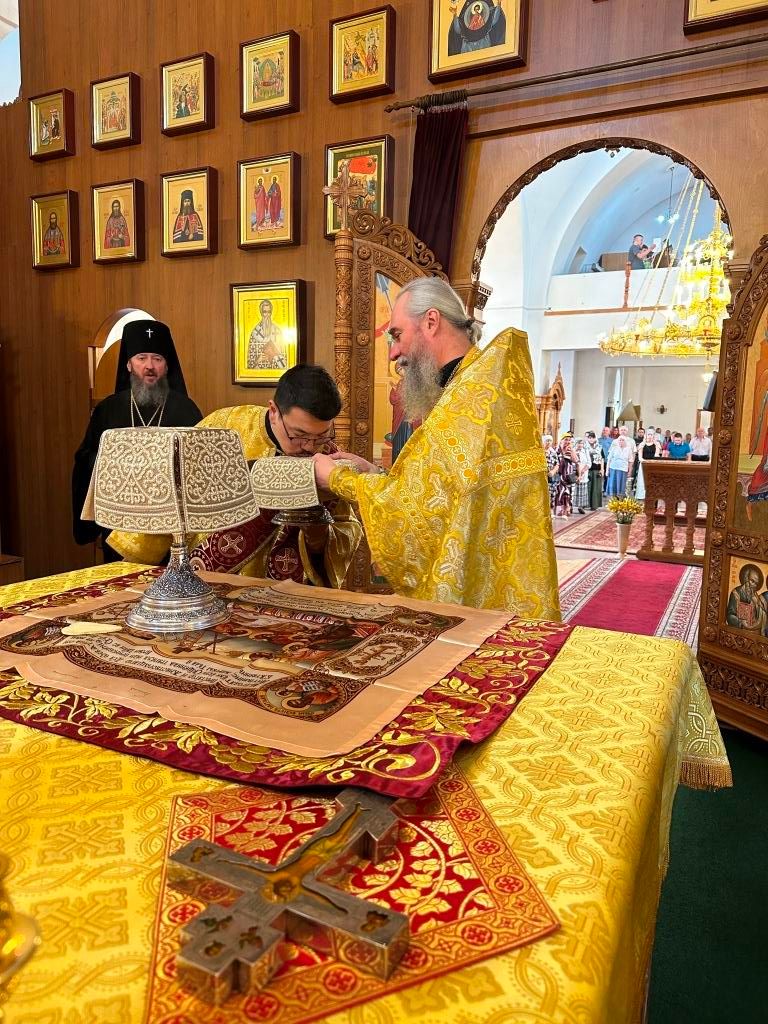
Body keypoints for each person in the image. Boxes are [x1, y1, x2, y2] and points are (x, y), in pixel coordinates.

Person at [311, 277, 560, 619]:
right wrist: (377, 474)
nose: (393, 353)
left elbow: (418, 516)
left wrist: (337, 478)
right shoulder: (473, 388)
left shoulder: (469, 401)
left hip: (484, 611)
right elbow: (443, 494)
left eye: (397, 335)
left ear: (431, 321)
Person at [111, 365, 362, 588]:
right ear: (273, 411)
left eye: (321, 436)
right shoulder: (224, 429)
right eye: (299, 435)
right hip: (209, 585)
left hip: (289, 594)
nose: (310, 446)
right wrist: (136, 568)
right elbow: (170, 492)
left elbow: (346, 529)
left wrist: (317, 532)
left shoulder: (326, 458)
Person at [72, 320, 202, 560]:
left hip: (169, 533)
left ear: (166, 366)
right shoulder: (108, 410)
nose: (149, 366)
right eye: (141, 358)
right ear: (129, 364)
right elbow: (85, 459)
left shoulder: (186, 410)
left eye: (157, 359)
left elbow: (198, 467)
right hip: (119, 529)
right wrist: (116, 463)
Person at [726, 563, 767, 633]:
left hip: (753, 631)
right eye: (752, 581)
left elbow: (761, 616)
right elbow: (729, 615)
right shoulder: (736, 593)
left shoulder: (756, 596)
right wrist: (741, 622)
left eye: (756, 583)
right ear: (746, 578)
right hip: (738, 630)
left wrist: (757, 604)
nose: (754, 585)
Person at [247, 299, 287, 370]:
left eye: (269, 312)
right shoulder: (255, 333)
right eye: (264, 312)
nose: (267, 315)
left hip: (274, 369)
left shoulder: (277, 331)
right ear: (261, 313)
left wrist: (275, 356)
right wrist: (257, 360)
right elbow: (250, 360)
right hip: (259, 370)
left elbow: (284, 357)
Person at [636, 428, 662, 501]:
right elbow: (640, 457)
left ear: (653, 436)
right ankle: (641, 496)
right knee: (642, 481)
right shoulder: (642, 444)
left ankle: (652, 495)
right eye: (648, 434)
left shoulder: (657, 444)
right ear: (646, 435)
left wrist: (651, 462)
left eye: (651, 435)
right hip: (643, 464)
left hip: (653, 465)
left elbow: (656, 455)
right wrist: (645, 462)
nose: (650, 436)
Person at [605, 430, 633, 497]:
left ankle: (620, 498)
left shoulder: (628, 449)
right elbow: (609, 460)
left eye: (623, 440)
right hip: (613, 469)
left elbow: (631, 461)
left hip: (623, 469)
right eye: (620, 440)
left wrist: (630, 471)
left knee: (621, 485)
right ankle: (613, 499)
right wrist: (607, 470)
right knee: (613, 485)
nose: (621, 441)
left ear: (625, 441)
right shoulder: (614, 448)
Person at [584, 431, 603, 510]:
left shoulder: (599, 447)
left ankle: (594, 505)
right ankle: (586, 504)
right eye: (590, 438)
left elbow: (602, 458)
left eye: (593, 438)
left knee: (596, 488)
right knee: (588, 487)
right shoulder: (585, 447)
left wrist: (602, 469)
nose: (591, 439)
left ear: (595, 438)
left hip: (596, 469)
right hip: (588, 469)